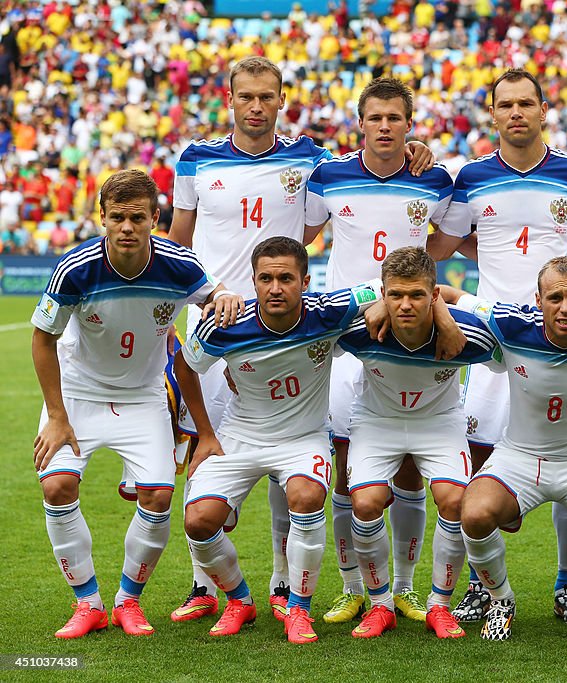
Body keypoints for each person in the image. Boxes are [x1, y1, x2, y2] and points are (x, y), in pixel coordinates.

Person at [168, 58, 433, 624]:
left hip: (291, 321)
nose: (257, 106)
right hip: (218, 323)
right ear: (231, 100)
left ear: (281, 100)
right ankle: (202, 586)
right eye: (247, 97)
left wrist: (414, 154)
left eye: (267, 96)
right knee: (206, 448)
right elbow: (177, 242)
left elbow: (321, 219)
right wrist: (191, 303)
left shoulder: (310, 160)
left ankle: (287, 582)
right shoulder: (194, 158)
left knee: (291, 449)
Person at [428, 68, 567, 625]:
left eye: (525, 104)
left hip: (563, 337)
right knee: (484, 466)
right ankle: (483, 588)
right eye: (504, 105)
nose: (515, 113)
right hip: (494, 339)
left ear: (543, 111)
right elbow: (442, 242)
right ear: (492, 114)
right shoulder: (471, 176)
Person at [31, 169, 242, 639]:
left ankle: (128, 601)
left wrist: (225, 296)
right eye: (118, 217)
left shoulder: (179, 265)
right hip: (77, 395)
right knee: (57, 487)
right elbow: (43, 339)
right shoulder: (75, 268)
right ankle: (87, 603)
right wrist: (58, 417)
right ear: (102, 218)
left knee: (158, 496)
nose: (127, 227)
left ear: (155, 219)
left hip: (142, 397)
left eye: (138, 218)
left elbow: (216, 293)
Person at [176, 237, 384, 644]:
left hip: (302, 439)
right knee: (198, 522)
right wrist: (205, 433)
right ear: (252, 282)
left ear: (305, 281)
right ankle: (239, 599)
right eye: (266, 278)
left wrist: (385, 304)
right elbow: (185, 366)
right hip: (240, 435)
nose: (275, 287)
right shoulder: (225, 323)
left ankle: (299, 610)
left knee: (306, 498)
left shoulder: (331, 310)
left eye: (286, 278)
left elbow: (385, 286)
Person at [303, 77, 454, 625]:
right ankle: (352, 588)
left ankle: (407, 588)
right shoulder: (328, 175)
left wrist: (414, 290)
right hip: (348, 337)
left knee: (411, 467)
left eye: (396, 118)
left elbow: (445, 243)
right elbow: (302, 235)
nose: (386, 126)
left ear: (409, 125)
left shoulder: (433, 178)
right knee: (348, 468)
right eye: (376, 118)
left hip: (410, 327)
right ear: (360, 123)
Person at [440, 256, 567, 641]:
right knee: (472, 512)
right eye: (555, 298)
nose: (566, 308)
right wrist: (436, 306)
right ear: (538, 300)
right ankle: (501, 599)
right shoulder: (509, 323)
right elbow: (448, 293)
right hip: (519, 459)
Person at [335, 247, 499, 639]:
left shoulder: (468, 335)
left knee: (455, 500)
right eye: (395, 295)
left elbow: (516, 346)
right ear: (383, 292)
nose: (405, 305)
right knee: (365, 501)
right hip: (378, 422)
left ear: (434, 295)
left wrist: (447, 315)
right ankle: (380, 605)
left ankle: (439, 606)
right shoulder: (358, 328)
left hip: (438, 423)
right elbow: (307, 325)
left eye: (417, 295)